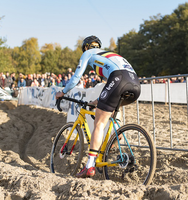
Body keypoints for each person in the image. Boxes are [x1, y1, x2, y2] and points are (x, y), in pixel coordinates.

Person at [56, 35, 141, 178]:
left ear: (86, 47)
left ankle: (89, 166)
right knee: (110, 111)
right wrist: (97, 100)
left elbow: (76, 78)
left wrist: (62, 92)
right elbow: (110, 87)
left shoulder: (88, 53)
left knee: (99, 123)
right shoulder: (110, 55)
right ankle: (115, 137)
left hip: (119, 78)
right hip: (135, 84)